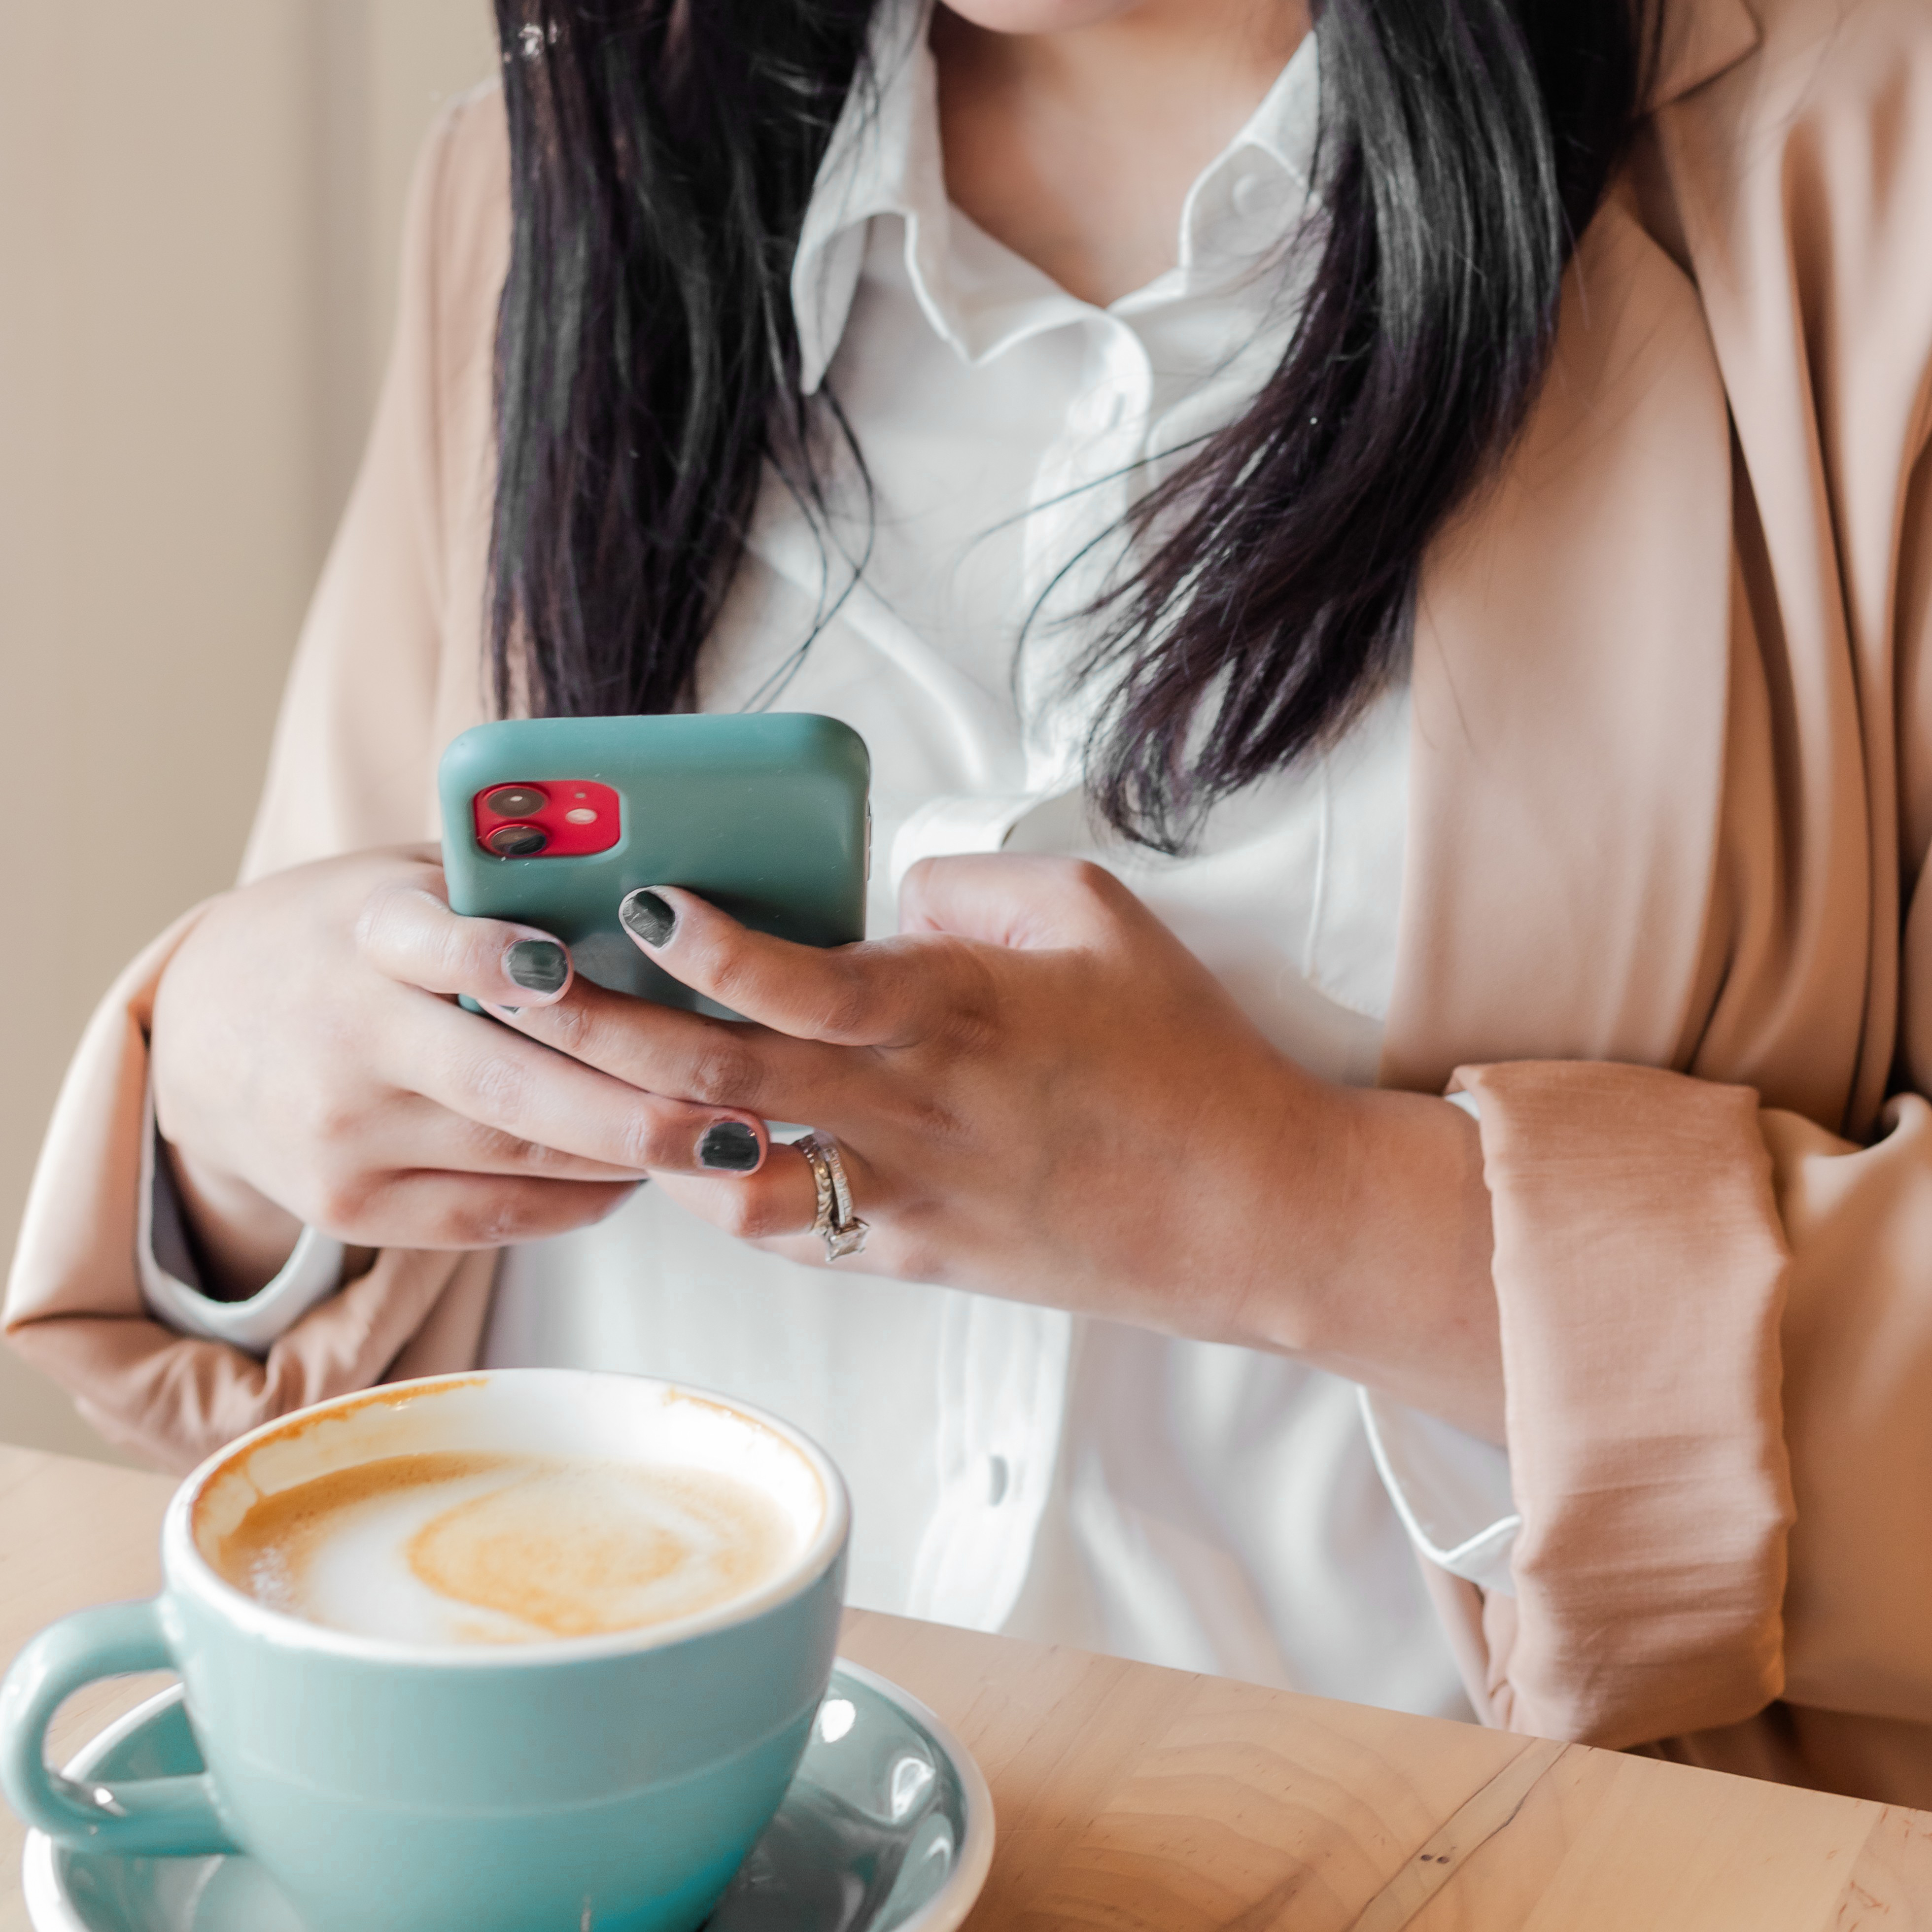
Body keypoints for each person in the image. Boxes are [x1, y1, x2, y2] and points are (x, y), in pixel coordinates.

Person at [11, 0, 1932, 1800]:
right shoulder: (544, 177)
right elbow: (331, 1232)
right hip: (597, 1840)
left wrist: (1309, 1210)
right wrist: (232, 1103)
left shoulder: (1864, 174)